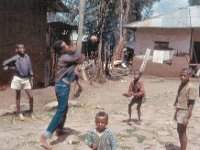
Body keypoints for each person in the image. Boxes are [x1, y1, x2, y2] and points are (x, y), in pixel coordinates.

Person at [40, 40, 84, 149]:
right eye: (65, 46)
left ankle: (59, 130)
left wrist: (73, 50)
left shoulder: (66, 56)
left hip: (62, 86)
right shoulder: (65, 57)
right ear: (61, 50)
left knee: (64, 108)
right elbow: (80, 58)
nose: (68, 46)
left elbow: (77, 62)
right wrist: (75, 49)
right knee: (61, 110)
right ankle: (45, 137)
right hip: (62, 87)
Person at [2, 44, 34, 121]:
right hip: (18, 79)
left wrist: (31, 78)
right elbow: (4, 63)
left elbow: (30, 68)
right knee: (18, 96)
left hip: (26, 79)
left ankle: (31, 112)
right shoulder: (15, 58)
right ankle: (19, 113)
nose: (22, 49)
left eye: (23, 47)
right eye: (20, 48)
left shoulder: (27, 57)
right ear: (17, 50)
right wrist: (11, 67)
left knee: (31, 97)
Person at [173, 68, 196, 150]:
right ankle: (182, 148)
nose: (182, 77)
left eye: (184, 75)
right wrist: (176, 111)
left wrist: (186, 116)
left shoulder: (191, 87)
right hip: (179, 109)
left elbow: (191, 103)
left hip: (185, 111)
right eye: (181, 75)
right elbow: (179, 98)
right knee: (179, 130)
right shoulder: (181, 85)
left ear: (189, 76)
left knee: (182, 132)